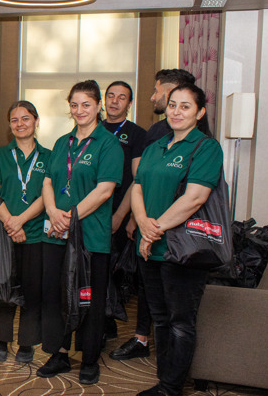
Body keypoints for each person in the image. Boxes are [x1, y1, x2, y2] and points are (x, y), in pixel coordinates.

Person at [131, 83, 222, 396]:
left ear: (200, 112)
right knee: (160, 320)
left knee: (180, 321)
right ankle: (163, 382)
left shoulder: (206, 147)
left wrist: (153, 230)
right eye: (172, 105)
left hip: (183, 251)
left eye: (185, 106)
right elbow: (138, 188)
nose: (177, 111)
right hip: (150, 248)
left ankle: (171, 388)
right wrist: (143, 223)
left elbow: (195, 197)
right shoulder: (156, 146)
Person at [38, 80, 123, 384]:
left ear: (98, 106)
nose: (79, 110)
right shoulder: (63, 143)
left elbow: (104, 190)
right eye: (74, 105)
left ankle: (89, 359)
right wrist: (51, 212)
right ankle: (59, 353)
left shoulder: (108, 143)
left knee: (89, 298)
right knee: (56, 296)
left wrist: (71, 217)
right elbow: (47, 181)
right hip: (56, 234)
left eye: (86, 104)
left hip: (91, 237)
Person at [0, 101, 50, 363]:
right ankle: (0, 340)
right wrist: (11, 223)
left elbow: (48, 195)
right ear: (9, 125)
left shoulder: (50, 156)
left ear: (36, 121)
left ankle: (27, 343)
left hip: (36, 234)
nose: (20, 124)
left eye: (26, 118)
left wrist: (20, 221)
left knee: (33, 292)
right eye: (14, 120)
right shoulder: (0, 155)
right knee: (1, 287)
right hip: (4, 233)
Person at [99, 81, 151, 360]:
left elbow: (138, 178)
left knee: (117, 271)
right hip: (90, 213)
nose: (115, 101)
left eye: (122, 98)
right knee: (95, 270)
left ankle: (114, 319)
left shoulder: (137, 135)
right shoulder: (90, 129)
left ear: (129, 104)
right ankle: (102, 325)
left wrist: (123, 215)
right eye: (111, 96)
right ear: (103, 100)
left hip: (120, 213)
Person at [145, 69, 210, 146]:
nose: (152, 98)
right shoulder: (157, 129)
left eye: (156, 91)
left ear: (170, 92)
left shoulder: (205, 144)